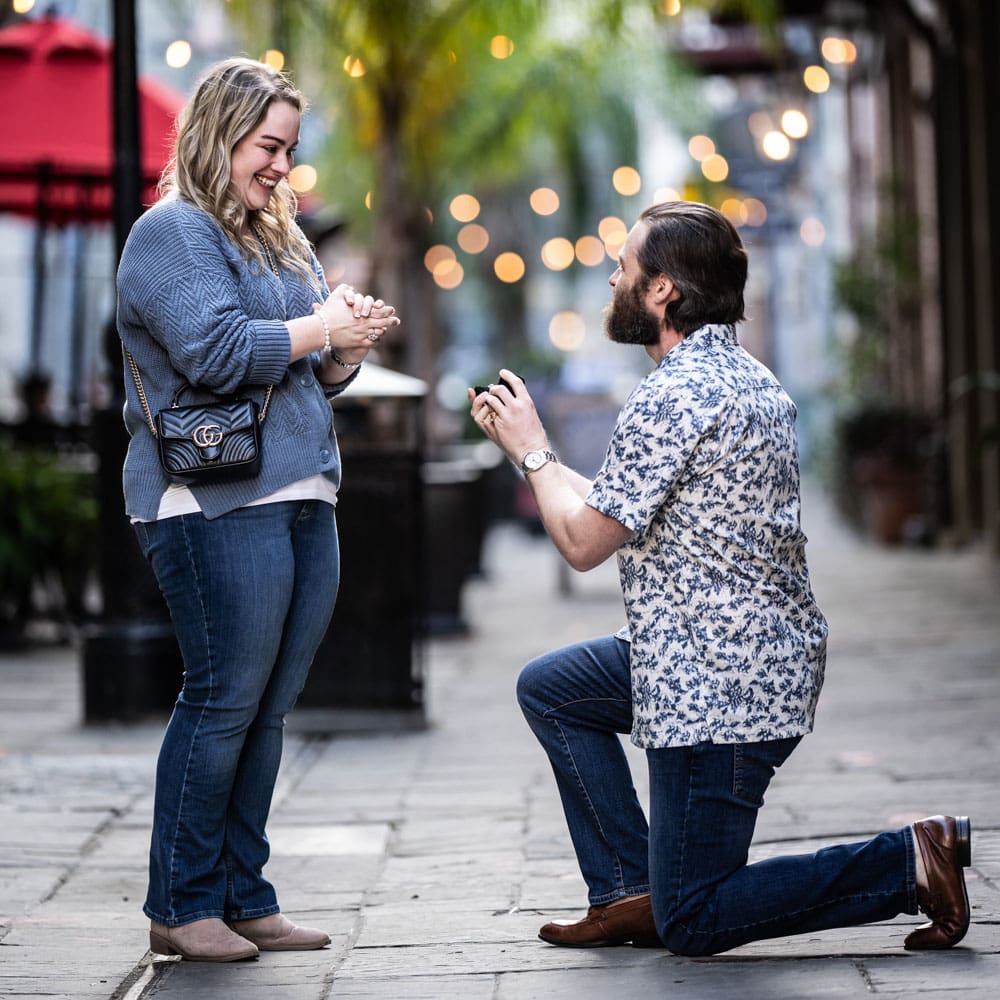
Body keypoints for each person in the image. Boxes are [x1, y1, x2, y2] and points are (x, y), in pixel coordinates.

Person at [468, 200, 971, 956]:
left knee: (697, 918)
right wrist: (532, 455)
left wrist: (534, 450)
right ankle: (627, 891)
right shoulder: (745, 377)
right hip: (727, 658)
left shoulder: (673, 396)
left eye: (625, 266)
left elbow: (581, 543)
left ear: (663, 290)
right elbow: (616, 504)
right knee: (554, 688)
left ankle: (909, 862)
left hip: (717, 689)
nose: (613, 276)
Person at [116, 58, 400, 963]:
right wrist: (320, 328)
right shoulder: (172, 233)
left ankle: (244, 894)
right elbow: (212, 350)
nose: (280, 166)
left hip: (303, 490)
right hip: (211, 500)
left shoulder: (277, 238)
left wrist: (345, 342)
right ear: (218, 133)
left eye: (288, 148)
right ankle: (181, 902)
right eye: (266, 146)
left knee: (268, 706)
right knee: (223, 697)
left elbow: (311, 366)